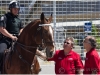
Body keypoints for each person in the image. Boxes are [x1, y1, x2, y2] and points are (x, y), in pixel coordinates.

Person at [0, 0, 24, 73]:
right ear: (10, 9)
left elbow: (21, 29)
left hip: (17, 40)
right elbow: (1, 29)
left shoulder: (19, 20)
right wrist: (11, 36)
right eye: (14, 9)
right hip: (6, 40)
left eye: (17, 9)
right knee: (1, 52)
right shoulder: (4, 17)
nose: (16, 10)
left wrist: (20, 35)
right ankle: (1, 70)